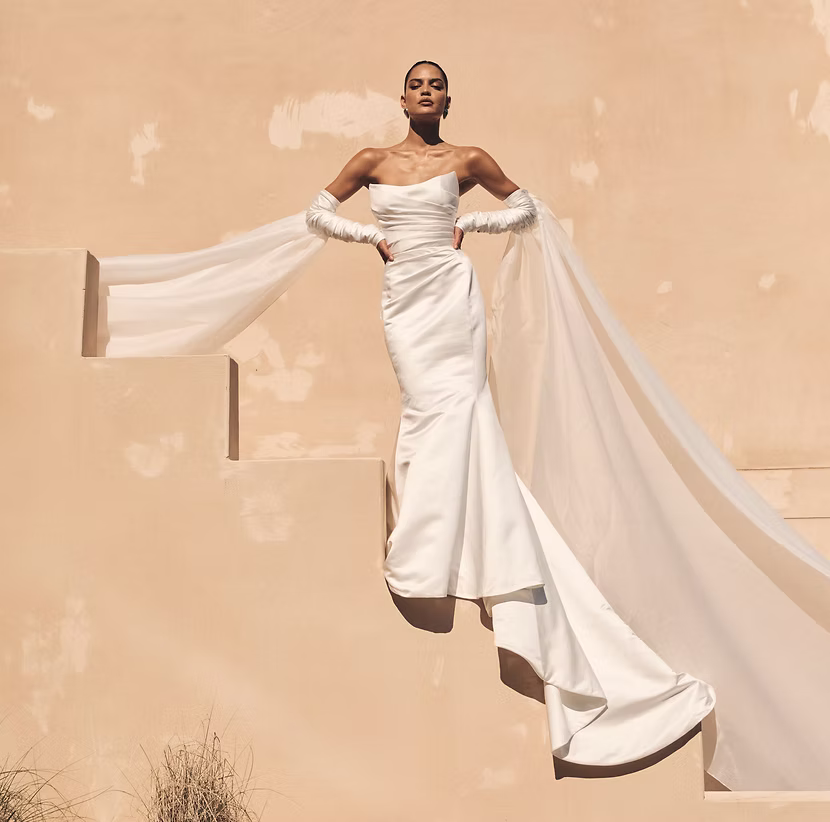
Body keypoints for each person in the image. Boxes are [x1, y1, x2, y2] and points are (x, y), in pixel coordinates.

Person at [97, 61, 830, 792]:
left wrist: (466, 223)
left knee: (462, 406)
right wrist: (373, 242)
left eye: (436, 84)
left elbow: (526, 210)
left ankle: (450, 542)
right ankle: (431, 535)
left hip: (451, 292)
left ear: (448, 98)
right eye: (415, 83)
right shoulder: (373, 160)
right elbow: (318, 214)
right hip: (404, 293)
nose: (425, 92)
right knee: (425, 407)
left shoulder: (467, 159)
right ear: (402, 96)